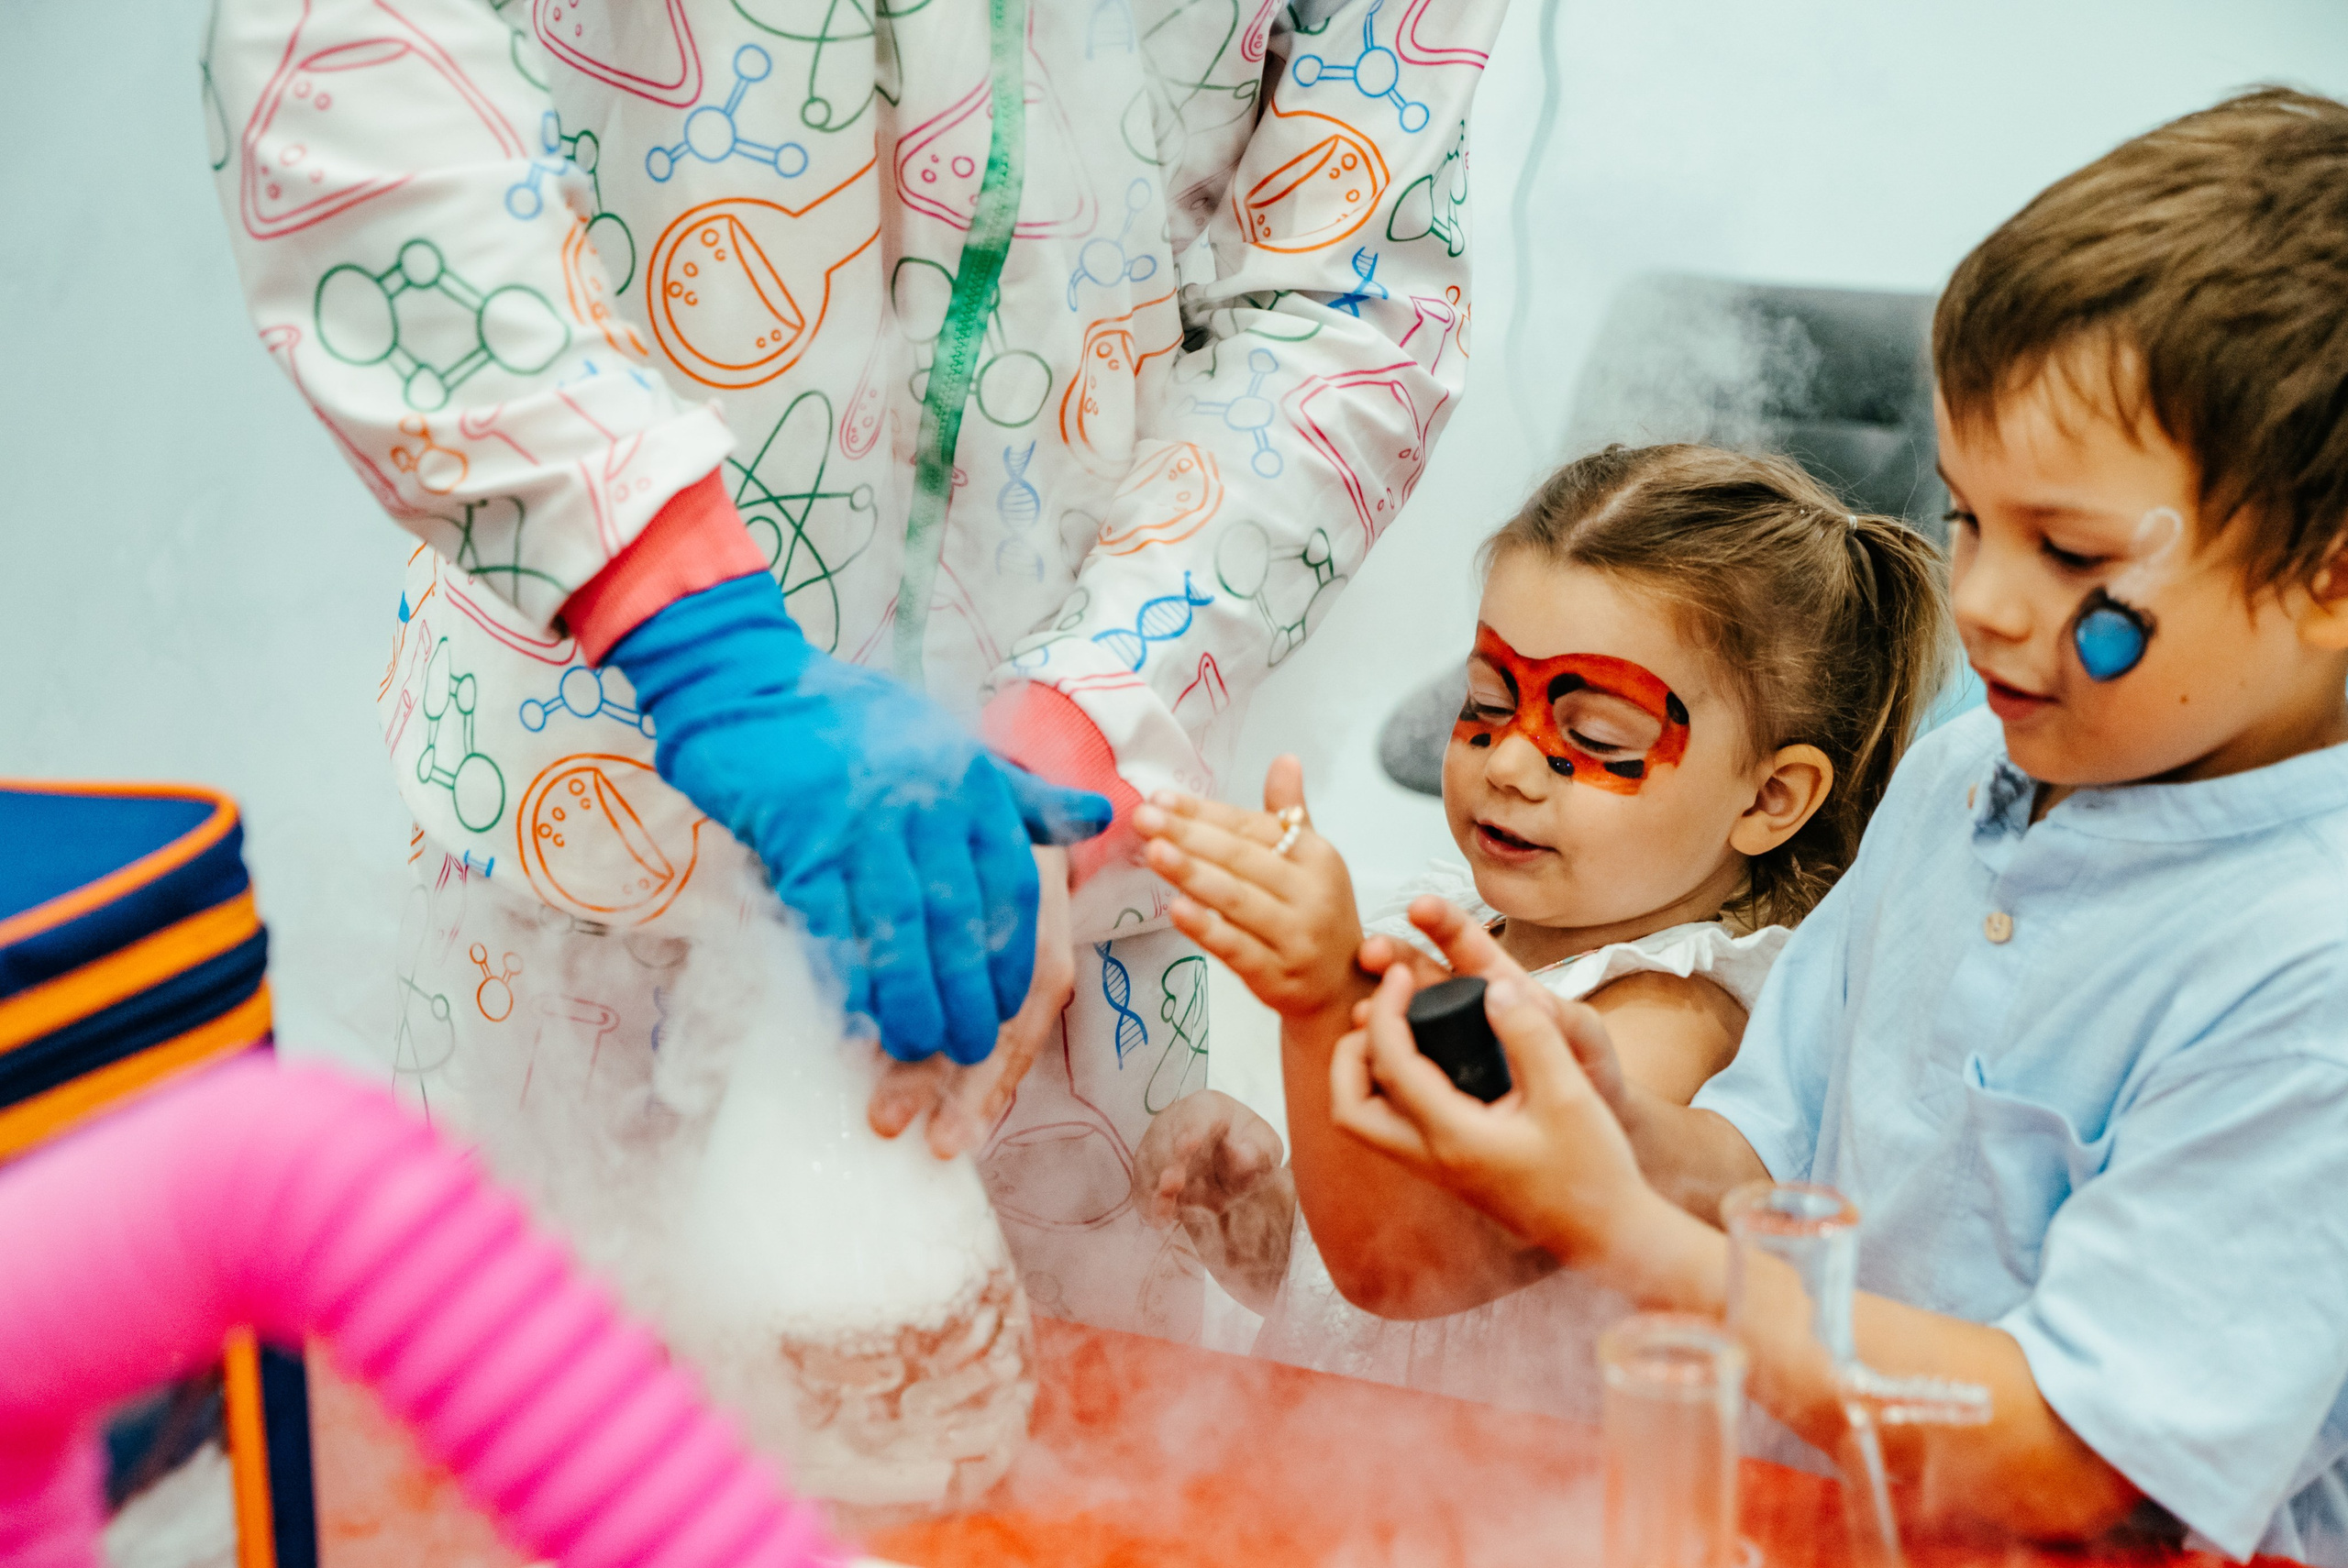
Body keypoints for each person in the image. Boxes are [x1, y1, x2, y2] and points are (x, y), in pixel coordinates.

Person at [201, 0, 1506, 1337]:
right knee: (528, 1424)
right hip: (585, 826)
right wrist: (670, 606)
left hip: (1044, 928)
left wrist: (1102, 698)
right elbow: (349, 66)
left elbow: (1348, 292)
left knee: (1043, 1440)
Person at [1324, 88, 2348, 1560]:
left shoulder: (2310, 969)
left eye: (2068, 551)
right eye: (1969, 517)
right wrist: (1611, 1127)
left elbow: (2067, 1457)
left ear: (2323, 573)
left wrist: (1621, 1228)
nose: (1982, 600)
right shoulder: (1960, 781)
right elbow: (1770, 1154)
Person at [1124, 442, 1950, 1414]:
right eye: (1485, 704)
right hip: (1341, 1467)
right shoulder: (1437, 931)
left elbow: (1409, 1267)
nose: (1509, 765)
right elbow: (1337, 1293)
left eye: (1592, 738)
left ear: (1770, 798)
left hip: (1508, 1491)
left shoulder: (1668, 1021)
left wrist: (1320, 1001)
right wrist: (1248, 1215)